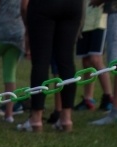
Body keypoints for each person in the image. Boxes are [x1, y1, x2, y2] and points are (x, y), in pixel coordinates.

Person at [19, 0, 83, 132]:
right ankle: (66, 118)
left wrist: (28, 24)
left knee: (40, 62)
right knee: (66, 61)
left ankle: (36, 118)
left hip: (44, 6)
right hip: (72, 5)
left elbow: (24, 6)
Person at [73, 4, 112, 112]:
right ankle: (88, 99)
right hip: (83, 22)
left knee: (96, 59)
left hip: (98, 21)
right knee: (86, 61)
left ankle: (108, 96)